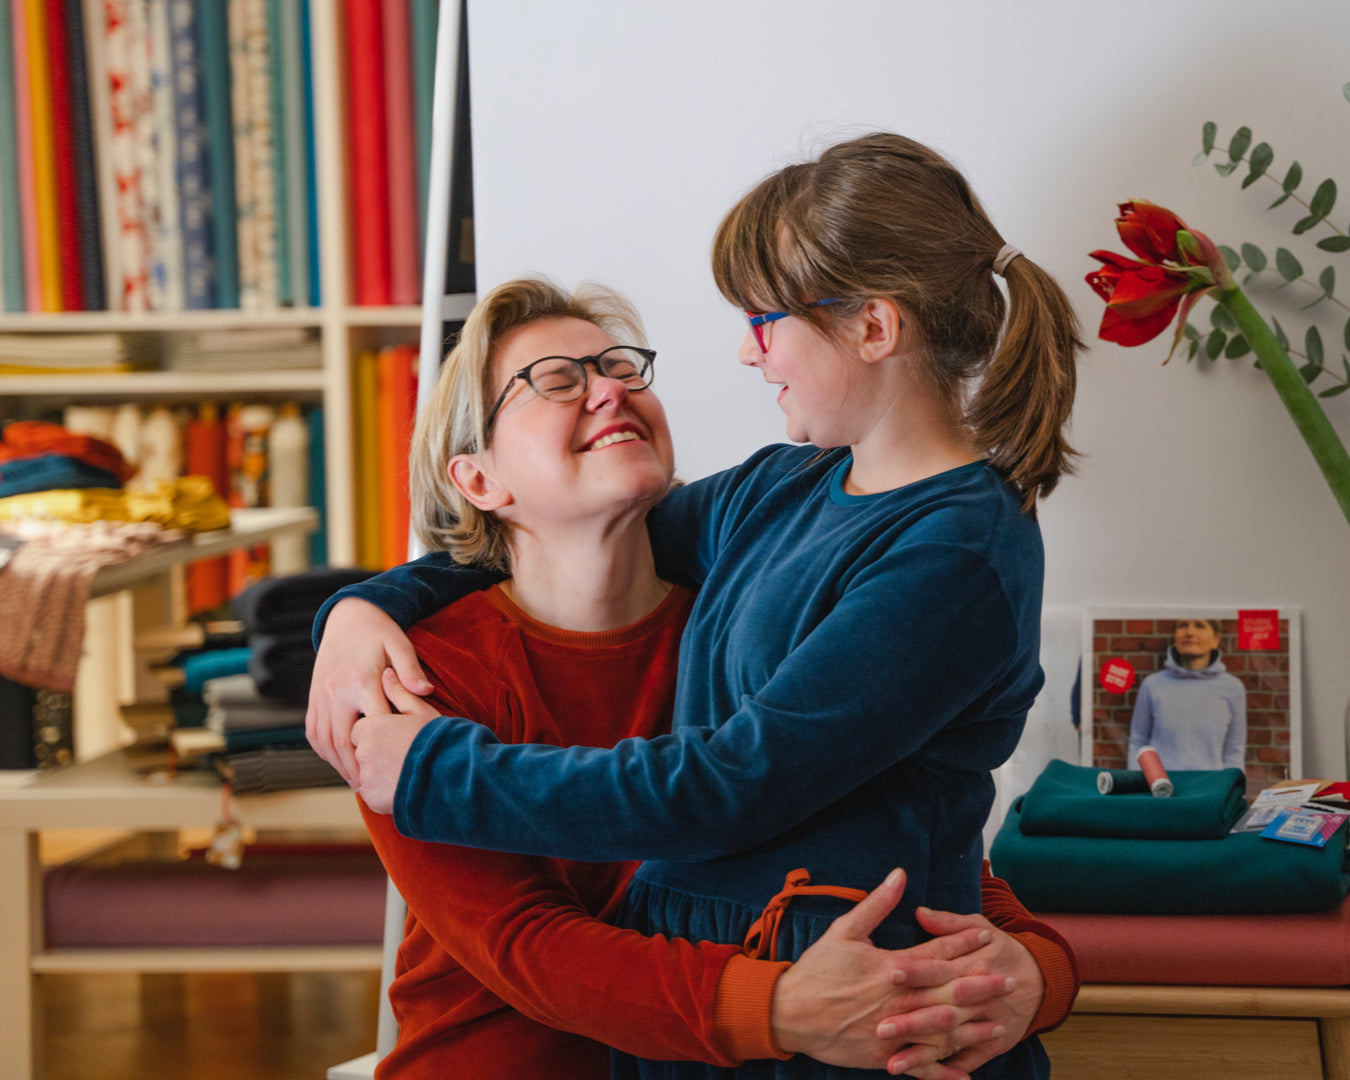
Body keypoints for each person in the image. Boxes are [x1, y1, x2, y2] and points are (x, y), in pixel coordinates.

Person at [310, 133, 1083, 1079]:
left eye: (766, 321)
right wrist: (355, 609)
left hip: (843, 1016)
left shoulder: (931, 553)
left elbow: (798, 794)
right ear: (477, 476)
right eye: (557, 382)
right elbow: (529, 942)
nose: (611, 389)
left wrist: (1043, 967)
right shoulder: (767, 500)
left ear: (874, 329)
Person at [1127, 618, 1247, 771]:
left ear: (1215, 640)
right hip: (1162, 789)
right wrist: (1141, 785)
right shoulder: (1152, 685)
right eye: (1183, 626)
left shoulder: (1232, 688)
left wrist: (1232, 787)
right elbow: (1138, 742)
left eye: (1200, 626)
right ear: (1175, 639)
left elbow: (1234, 749)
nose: (1190, 632)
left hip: (1211, 789)